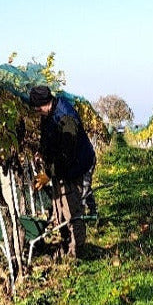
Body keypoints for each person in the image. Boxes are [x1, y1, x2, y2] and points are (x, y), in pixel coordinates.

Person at [28, 85, 97, 258]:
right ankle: (66, 244)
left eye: (37, 109)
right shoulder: (48, 113)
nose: (37, 113)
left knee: (72, 210)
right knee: (60, 207)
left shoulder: (66, 118)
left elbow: (67, 154)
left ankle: (77, 252)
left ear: (45, 103)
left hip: (77, 165)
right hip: (63, 166)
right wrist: (41, 152)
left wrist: (49, 174)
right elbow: (48, 137)